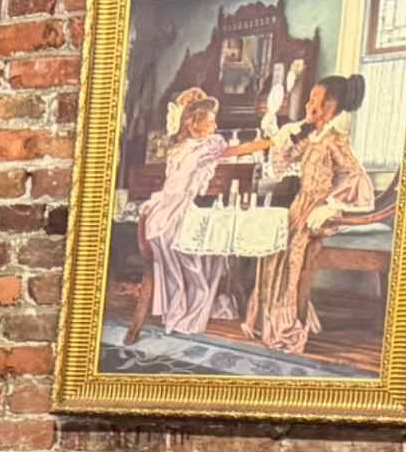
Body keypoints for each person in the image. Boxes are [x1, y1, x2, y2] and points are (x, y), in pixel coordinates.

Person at [247, 74, 380, 356]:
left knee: (294, 249)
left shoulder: (335, 139)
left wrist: (332, 205)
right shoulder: (313, 136)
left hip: (320, 211)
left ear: (333, 106)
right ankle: (268, 320)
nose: (311, 107)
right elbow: (284, 161)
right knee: (273, 244)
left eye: (318, 102)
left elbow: (357, 178)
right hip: (300, 205)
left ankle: (287, 323)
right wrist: (277, 131)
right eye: (310, 100)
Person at [131, 85, 249, 341]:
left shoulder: (189, 147)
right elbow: (235, 151)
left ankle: (188, 300)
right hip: (171, 210)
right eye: (211, 121)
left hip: (164, 210)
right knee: (200, 243)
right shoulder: (196, 147)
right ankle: (189, 302)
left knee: (207, 242)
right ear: (194, 124)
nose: (215, 126)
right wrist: (271, 142)